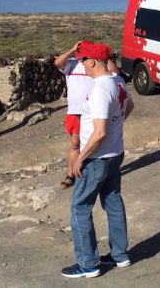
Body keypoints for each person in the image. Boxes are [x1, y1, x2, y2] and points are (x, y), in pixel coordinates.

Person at [61, 42, 134, 278]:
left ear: (92, 62)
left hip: (97, 157)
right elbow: (129, 105)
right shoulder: (118, 81)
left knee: (80, 206)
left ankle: (88, 263)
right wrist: (116, 125)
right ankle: (120, 255)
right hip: (115, 153)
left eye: (83, 60)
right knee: (112, 201)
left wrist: (80, 158)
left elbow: (99, 132)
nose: (81, 64)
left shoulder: (100, 89)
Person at [54, 40, 95, 189]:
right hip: (75, 111)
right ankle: (71, 174)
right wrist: (72, 50)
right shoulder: (71, 64)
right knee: (75, 143)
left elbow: (114, 72)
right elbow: (58, 63)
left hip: (92, 111)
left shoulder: (94, 64)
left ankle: (88, 172)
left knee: (93, 142)